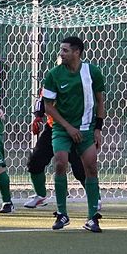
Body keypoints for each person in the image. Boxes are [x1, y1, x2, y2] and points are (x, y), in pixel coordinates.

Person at [41, 36, 106, 231]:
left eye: (65, 50)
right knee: (60, 163)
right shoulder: (53, 75)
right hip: (62, 129)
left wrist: (98, 129)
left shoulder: (92, 72)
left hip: (86, 129)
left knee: (91, 167)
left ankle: (92, 217)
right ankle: (62, 214)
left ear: (77, 52)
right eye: (61, 50)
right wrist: (68, 127)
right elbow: (48, 107)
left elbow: (100, 101)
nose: (61, 53)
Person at [24, 88, 88, 209]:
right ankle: (40, 196)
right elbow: (42, 100)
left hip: (74, 128)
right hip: (53, 128)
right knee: (35, 162)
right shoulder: (51, 81)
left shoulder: (78, 82)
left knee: (79, 167)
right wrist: (38, 117)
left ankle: (95, 198)